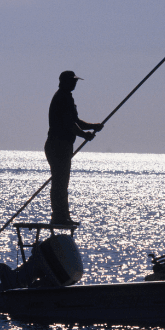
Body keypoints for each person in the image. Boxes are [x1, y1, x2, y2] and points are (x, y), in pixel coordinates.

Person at [45, 70, 103, 225]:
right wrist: (85, 135)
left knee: (62, 182)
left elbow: (75, 121)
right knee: (60, 183)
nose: (74, 83)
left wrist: (93, 126)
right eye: (72, 81)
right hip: (57, 145)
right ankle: (59, 216)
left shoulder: (67, 98)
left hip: (63, 146)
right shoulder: (62, 98)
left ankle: (63, 215)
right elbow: (69, 124)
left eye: (75, 81)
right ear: (63, 82)